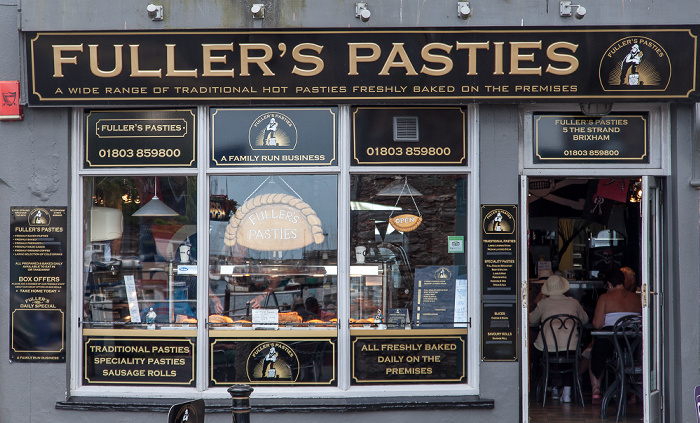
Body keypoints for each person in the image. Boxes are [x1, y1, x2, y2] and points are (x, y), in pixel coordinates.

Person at [529, 275, 589, 403]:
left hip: (547, 348)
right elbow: (585, 320)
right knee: (567, 358)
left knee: (538, 355)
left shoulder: (544, 303)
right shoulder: (574, 302)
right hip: (571, 347)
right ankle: (567, 391)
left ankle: (552, 387)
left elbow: (531, 320)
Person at [588, 268, 642, 404]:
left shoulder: (605, 298)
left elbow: (597, 324)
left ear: (609, 284)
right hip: (632, 345)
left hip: (610, 343)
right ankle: (632, 390)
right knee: (629, 357)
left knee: (594, 352)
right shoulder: (637, 298)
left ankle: (596, 390)